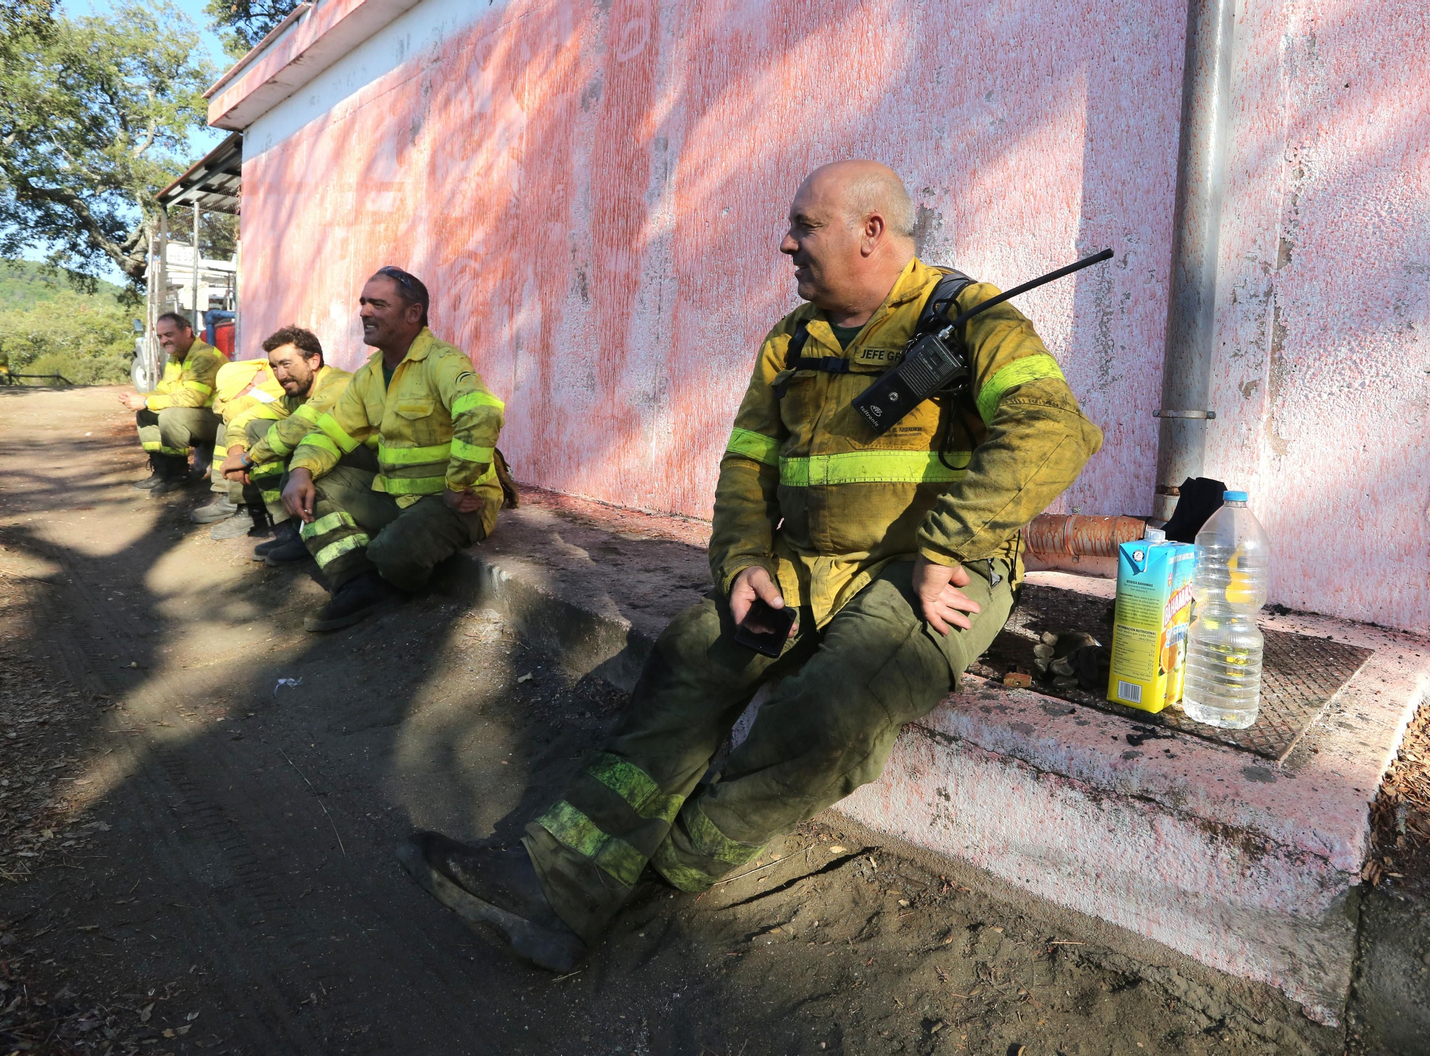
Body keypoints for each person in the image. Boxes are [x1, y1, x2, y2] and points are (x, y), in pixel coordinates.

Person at [396, 161, 1105, 974]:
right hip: (810, 565)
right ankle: (559, 880)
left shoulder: (969, 316)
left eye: (805, 225)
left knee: (834, 704)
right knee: (693, 650)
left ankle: (675, 863)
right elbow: (746, 466)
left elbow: (1054, 428)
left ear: (870, 231)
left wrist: (950, 542)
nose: (786, 243)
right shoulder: (792, 340)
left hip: (934, 570)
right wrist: (742, 561)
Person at [281, 267, 515, 632]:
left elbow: (481, 414)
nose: (364, 311)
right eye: (363, 302)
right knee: (304, 484)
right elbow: (329, 432)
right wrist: (300, 471)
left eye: (378, 304)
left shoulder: (443, 361)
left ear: (412, 313)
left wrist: (457, 486)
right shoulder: (370, 375)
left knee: (392, 552)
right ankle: (358, 582)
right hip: (396, 497)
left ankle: (389, 570)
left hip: (455, 503)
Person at [217, 325, 356, 557]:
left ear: (314, 361)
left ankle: (316, 536)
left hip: (368, 469)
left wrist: (247, 458)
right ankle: (290, 529)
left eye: (286, 364)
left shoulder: (338, 385)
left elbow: (296, 428)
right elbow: (245, 417)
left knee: (296, 448)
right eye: (274, 366)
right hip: (331, 461)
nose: (280, 375)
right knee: (257, 426)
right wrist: (235, 450)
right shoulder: (297, 396)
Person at [120, 313, 227, 494]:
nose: (164, 340)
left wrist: (146, 401)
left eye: (169, 334)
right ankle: (162, 472)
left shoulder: (204, 356)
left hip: (218, 418)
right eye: (160, 336)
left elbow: (193, 398)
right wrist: (139, 398)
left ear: (187, 332)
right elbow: (164, 390)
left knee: (170, 415)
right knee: (146, 413)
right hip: (197, 415)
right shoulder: (176, 357)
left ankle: (178, 474)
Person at [187, 356, 287, 535]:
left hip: (293, 444)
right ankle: (229, 496)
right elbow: (220, 405)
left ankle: (252, 507)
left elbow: (237, 407)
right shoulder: (255, 381)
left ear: (249, 385)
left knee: (246, 424)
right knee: (226, 424)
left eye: (234, 396)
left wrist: (238, 457)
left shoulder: (277, 383)